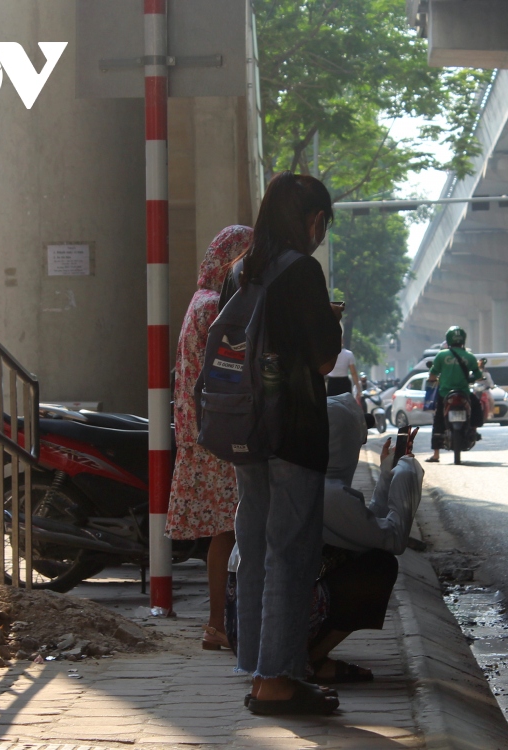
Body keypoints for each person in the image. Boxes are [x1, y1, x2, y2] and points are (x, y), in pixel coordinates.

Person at [218, 172, 343, 716]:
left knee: (255, 546)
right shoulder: (303, 272)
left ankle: (260, 666)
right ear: (313, 220)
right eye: (322, 224)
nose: (320, 233)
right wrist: (331, 323)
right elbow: (321, 360)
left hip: (246, 431)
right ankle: (276, 681)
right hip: (293, 429)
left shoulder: (238, 272)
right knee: (290, 552)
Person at [166, 225, 251, 651]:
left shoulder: (200, 300)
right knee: (229, 530)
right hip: (216, 432)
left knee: (226, 530)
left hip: (200, 430)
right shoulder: (218, 304)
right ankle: (219, 622)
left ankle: (221, 621)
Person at [310, 393, 424, 683]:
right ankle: (308, 660)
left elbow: (363, 528)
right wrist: (407, 473)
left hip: (249, 628)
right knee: (378, 566)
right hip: (275, 622)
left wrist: (385, 477)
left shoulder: (306, 479)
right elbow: (392, 540)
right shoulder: (329, 494)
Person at [425, 326, 483, 463]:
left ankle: (436, 454)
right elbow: (478, 375)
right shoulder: (469, 356)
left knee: (438, 420)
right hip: (464, 393)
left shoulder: (441, 355)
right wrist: (470, 379)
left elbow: (432, 374)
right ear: (463, 340)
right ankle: (474, 430)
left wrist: (433, 380)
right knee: (476, 407)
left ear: (448, 340)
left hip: (445, 394)